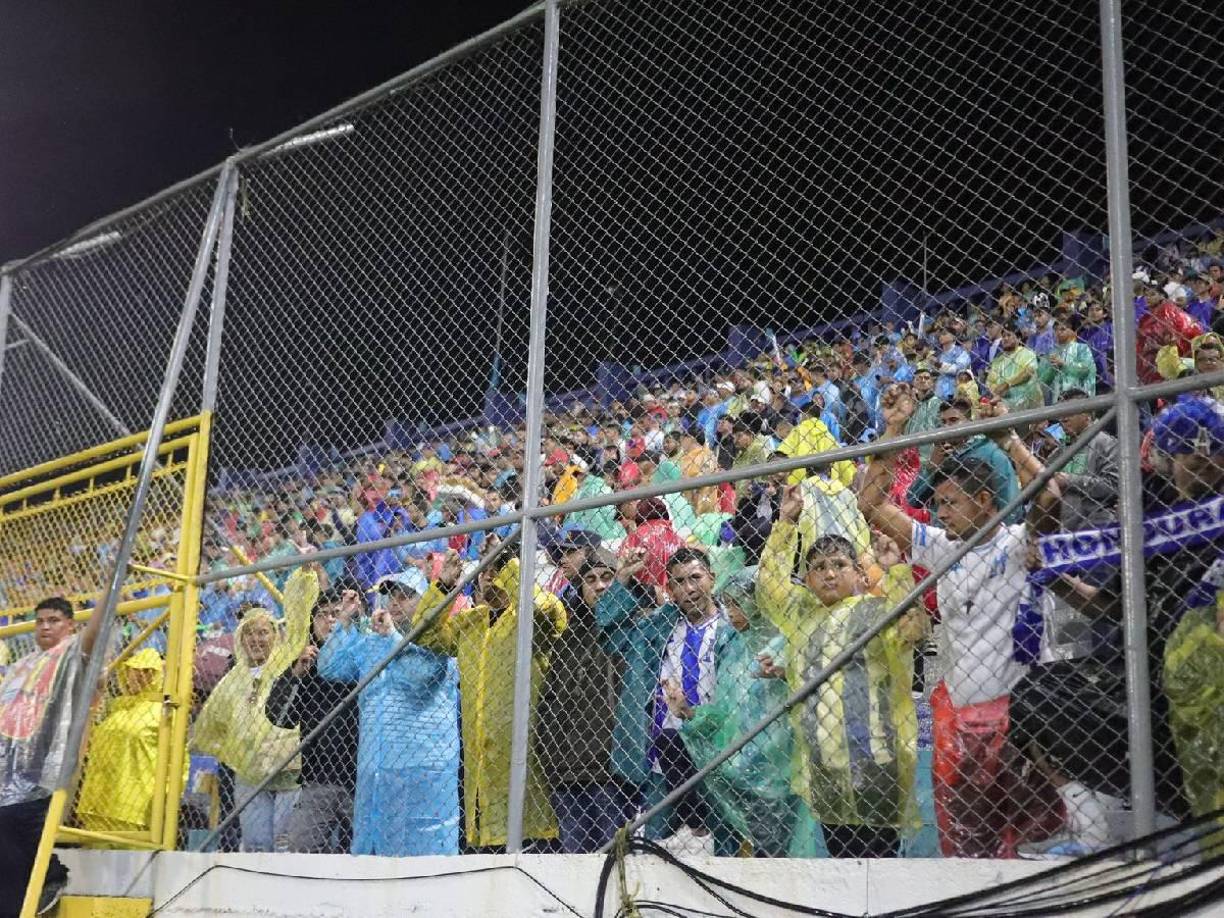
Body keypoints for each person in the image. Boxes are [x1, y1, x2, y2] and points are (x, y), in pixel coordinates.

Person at [858, 445, 1064, 858]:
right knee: (968, 842)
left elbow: (1050, 496)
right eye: (937, 505)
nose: (941, 514)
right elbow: (871, 504)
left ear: (984, 501)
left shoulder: (1017, 542)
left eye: (950, 503)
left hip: (1016, 718)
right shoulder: (942, 546)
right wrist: (895, 434)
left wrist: (1009, 442)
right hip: (960, 721)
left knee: (1025, 839)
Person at [756, 488, 927, 857]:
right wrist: (784, 523)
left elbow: (913, 627)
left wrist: (896, 571)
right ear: (808, 578)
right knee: (841, 863)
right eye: (818, 567)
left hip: (875, 760)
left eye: (839, 565)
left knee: (878, 866)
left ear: (858, 572)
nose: (829, 573)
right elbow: (769, 584)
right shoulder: (803, 614)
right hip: (826, 766)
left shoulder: (878, 610)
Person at [415, 549, 566, 849]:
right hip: (481, 772)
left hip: (526, 764)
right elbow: (423, 634)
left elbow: (538, 608)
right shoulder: (470, 622)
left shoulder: (534, 617)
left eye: (498, 570)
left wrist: (507, 564)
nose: (490, 576)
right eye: (485, 570)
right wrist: (443, 586)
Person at [595, 547, 736, 855]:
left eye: (696, 578)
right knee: (653, 849)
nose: (689, 588)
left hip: (718, 752)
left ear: (712, 579)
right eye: (679, 582)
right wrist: (621, 578)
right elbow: (611, 635)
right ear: (670, 589)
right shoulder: (660, 627)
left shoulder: (732, 627)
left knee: (723, 846)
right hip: (665, 754)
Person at [316, 571, 460, 856]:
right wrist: (344, 620)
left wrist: (393, 637)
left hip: (422, 769)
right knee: (373, 858)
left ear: (425, 602)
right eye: (392, 595)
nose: (396, 602)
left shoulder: (438, 640)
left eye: (406, 595)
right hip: (375, 769)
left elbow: (420, 676)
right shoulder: (373, 642)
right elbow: (329, 668)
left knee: (423, 859)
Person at [192, 568, 318, 852]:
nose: (256, 639)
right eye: (249, 633)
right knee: (256, 844)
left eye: (263, 632)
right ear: (240, 638)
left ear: (275, 634)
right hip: (249, 775)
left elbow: (299, 618)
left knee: (286, 843)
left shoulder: (286, 660)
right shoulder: (233, 679)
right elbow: (214, 721)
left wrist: (303, 578)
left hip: (289, 770)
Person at [1, 596, 106, 916]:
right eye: (40, 621)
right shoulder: (24, 665)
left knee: (18, 823)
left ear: (70, 625)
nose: (45, 627)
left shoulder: (73, 655)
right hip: (12, 762)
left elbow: (93, 637)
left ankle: (50, 875)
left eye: (54, 620)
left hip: (48, 762)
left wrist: (109, 592)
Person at [536, 549, 635, 853]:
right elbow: (550, 700)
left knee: (619, 865)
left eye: (608, 578)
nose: (600, 586)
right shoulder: (569, 637)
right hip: (566, 775)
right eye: (590, 580)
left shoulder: (633, 629)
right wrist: (550, 758)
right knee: (575, 870)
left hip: (614, 775)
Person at [264, 587, 360, 854]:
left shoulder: (363, 657)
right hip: (319, 779)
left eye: (337, 614)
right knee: (300, 849)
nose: (330, 620)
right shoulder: (306, 664)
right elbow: (280, 717)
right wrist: (295, 674)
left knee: (363, 854)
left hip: (362, 780)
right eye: (323, 614)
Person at [76, 648, 165, 833]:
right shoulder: (116, 711)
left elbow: (176, 764)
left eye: (148, 672)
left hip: (134, 811)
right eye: (134, 671)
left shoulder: (164, 712)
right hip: (97, 805)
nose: (139, 677)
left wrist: (164, 799)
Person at [904, 398, 1022, 527]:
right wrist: (931, 468)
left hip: (978, 538)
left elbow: (1011, 507)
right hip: (943, 539)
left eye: (953, 420)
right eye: (943, 422)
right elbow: (912, 500)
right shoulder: (939, 456)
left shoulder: (990, 453)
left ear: (968, 422)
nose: (946, 426)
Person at [987, 321, 1042, 412]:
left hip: (1025, 399)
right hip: (1002, 400)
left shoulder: (1027, 353)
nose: (1005, 338)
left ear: (1019, 338)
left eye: (1009, 335)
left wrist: (1007, 384)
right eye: (1003, 336)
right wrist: (996, 392)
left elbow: (1028, 372)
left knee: (999, 411)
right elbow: (990, 381)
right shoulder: (997, 360)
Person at [1039, 317, 1096, 401]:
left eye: (1063, 329)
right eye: (1056, 330)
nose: (1058, 332)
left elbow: (1086, 370)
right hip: (1057, 398)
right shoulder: (1051, 353)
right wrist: (1052, 369)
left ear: (1073, 331)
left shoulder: (1081, 348)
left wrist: (1064, 365)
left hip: (1080, 396)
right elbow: (1044, 380)